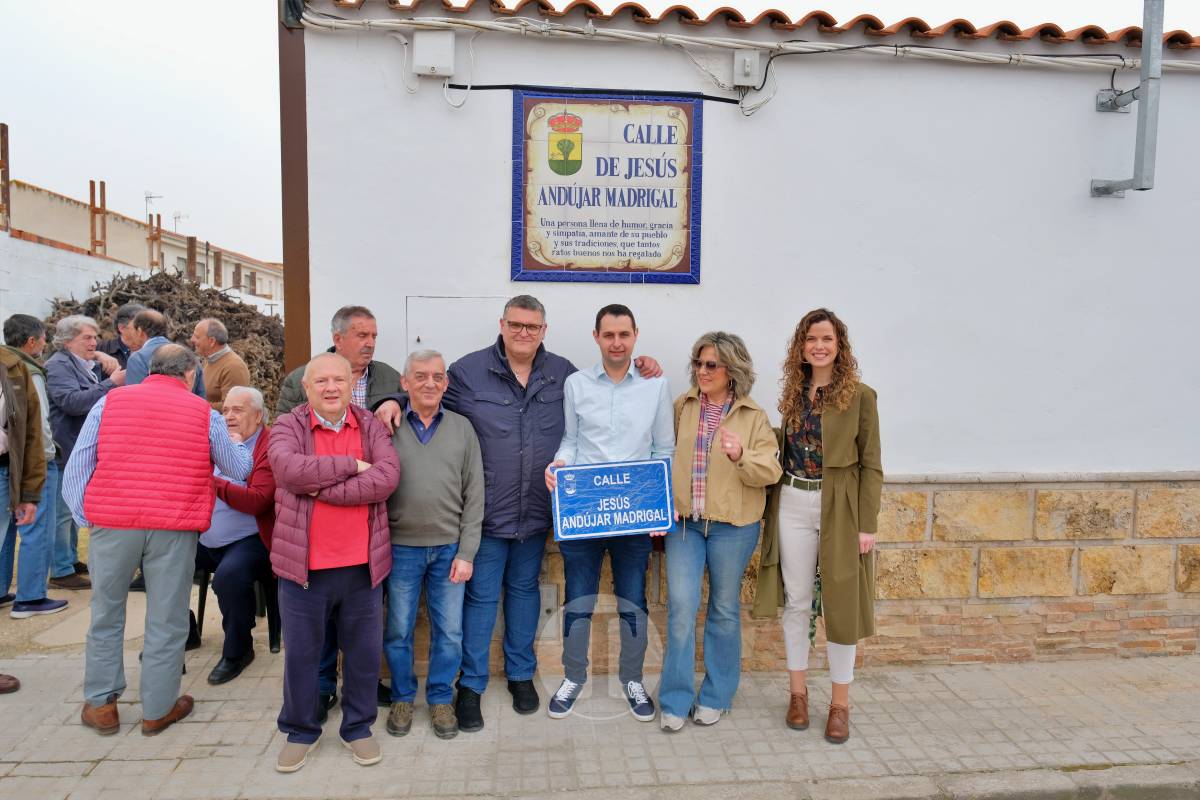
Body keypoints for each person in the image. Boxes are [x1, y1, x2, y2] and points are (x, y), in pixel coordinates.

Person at [374, 295, 661, 732]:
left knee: (526, 593)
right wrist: (395, 398)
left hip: (536, 511)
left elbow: (599, 398)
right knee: (482, 599)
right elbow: (429, 390)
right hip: (487, 511)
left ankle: (521, 675)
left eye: (533, 326)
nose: (524, 332)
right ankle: (470, 686)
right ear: (503, 324)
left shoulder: (562, 373)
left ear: (545, 329)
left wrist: (645, 365)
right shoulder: (469, 371)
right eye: (516, 324)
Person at [63, 344, 252, 737]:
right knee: (166, 619)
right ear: (189, 374)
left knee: (105, 615)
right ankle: (158, 709)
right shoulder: (204, 413)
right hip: (174, 525)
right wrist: (235, 441)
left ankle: (101, 705)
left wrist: (88, 518)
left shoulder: (110, 402)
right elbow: (238, 468)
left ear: (151, 370)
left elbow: (78, 464)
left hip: (112, 524)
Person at [752, 308, 882, 744]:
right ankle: (798, 694)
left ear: (839, 346)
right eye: (811, 339)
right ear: (801, 347)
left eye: (827, 339)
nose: (819, 346)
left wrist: (867, 523)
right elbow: (781, 446)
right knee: (797, 601)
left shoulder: (861, 396)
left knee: (842, 604)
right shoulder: (793, 394)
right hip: (792, 499)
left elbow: (871, 466)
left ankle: (840, 705)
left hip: (839, 506)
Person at [269, 353, 400, 773]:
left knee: (363, 656)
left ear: (350, 385)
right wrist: (349, 466)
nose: (330, 388)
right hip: (303, 570)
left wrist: (321, 488)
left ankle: (358, 728)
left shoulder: (370, 425)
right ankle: (300, 731)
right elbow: (289, 471)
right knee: (302, 657)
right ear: (306, 388)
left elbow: (386, 478)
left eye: (338, 380)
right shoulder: (289, 425)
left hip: (362, 568)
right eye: (321, 381)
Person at [543, 304, 673, 722]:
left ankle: (631, 679)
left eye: (624, 334)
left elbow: (663, 450)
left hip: (633, 515)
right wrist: (558, 466)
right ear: (596, 337)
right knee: (578, 598)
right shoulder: (576, 385)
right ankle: (573, 677)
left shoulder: (655, 385)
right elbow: (570, 440)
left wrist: (656, 503)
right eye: (609, 335)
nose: (617, 343)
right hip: (585, 510)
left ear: (635, 335)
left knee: (632, 600)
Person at [657, 332, 781, 731]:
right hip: (685, 526)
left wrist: (741, 455)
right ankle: (675, 700)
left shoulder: (753, 416)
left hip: (733, 528)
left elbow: (771, 471)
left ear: (733, 370)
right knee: (680, 607)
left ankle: (716, 695)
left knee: (724, 611)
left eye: (712, 364)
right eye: (698, 362)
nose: (702, 371)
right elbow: (661, 454)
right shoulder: (682, 406)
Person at [383, 350, 483, 740]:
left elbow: (475, 495)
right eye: (420, 376)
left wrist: (467, 552)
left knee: (450, 632)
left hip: (449, 550)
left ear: (446, 383)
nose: (430, 383)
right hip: (400, 548)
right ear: (404, 383)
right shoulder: (387, 426)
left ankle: (441, 697)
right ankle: (403, 696)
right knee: (398, 630)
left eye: (438, 377)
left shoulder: (462, 429)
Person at [197, 386, 275, 685]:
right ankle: (186, 631)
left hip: (252, 538)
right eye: (225, 410)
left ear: (257, 416)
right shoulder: (215, 440)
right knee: (160, 560)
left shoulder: (267, 446)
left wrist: (213, 481)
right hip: (205, 535)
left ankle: (238, 650)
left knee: (229, 577)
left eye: (238, 410)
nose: (228, 416)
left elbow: (257, 500)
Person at [46, 314, 125, 588]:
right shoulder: (57, 366)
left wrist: (100, 360)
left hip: (76, 448)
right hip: (64, 448)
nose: (94, 342)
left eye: (95, 337)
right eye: (87, 338)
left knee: (71, 507)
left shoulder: (80, 362)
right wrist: (110, 383)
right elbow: (71, 402)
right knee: (62, 511)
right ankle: (60, 570)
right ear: (67, 342)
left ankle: (68, 559)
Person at [0, 315, 67, 618]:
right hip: (32, 462)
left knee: (8, 529)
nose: (44, 344)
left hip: (8, 461)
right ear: (31, 342)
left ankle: (2, 590)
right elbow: (38, 426)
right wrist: (48, 457)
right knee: (37, 527)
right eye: (42, 338)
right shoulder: (29, 371)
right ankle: (31, 597)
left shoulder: (5, 364)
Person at [124, 310, 205, 397]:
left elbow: (134, 398)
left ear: (140, 331)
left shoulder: (138, 359)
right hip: (190, 409)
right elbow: (202, 398)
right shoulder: (190, 357)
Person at [191, 319, 251, 411]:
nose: (192, 339)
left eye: (197, 337)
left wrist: (196, 405)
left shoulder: (234, 367)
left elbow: (232, 407)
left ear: (211, 341)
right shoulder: (210, 359)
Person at [97, 303, 146, 369]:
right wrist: (96, 355)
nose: (144, 328)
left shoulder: (156, 349)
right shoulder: (101, 349)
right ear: (122, 328)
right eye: (139, 324)